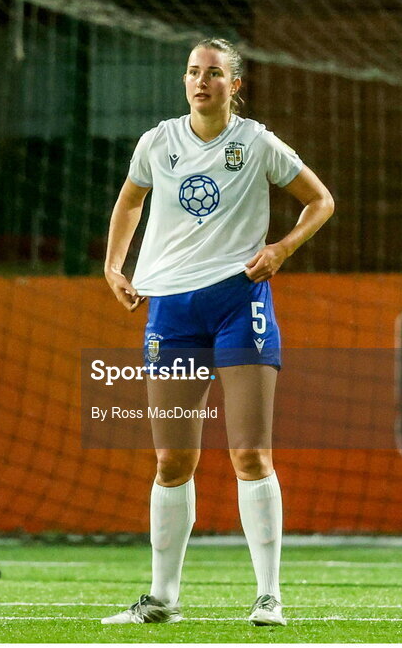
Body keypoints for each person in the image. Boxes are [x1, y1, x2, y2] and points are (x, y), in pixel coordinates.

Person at [101, 39, 334, 626]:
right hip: (171, 313)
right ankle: (162, 599)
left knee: (250, 452)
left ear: (236, 86)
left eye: (212, 74)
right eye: (192, 73)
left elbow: (320, 201)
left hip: (239, 304)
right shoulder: (158, 142)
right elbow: (131, 199)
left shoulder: (257, 144)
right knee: (172, 460)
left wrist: (281, 248)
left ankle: (269, 596)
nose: (200, 81)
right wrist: (114, 264)